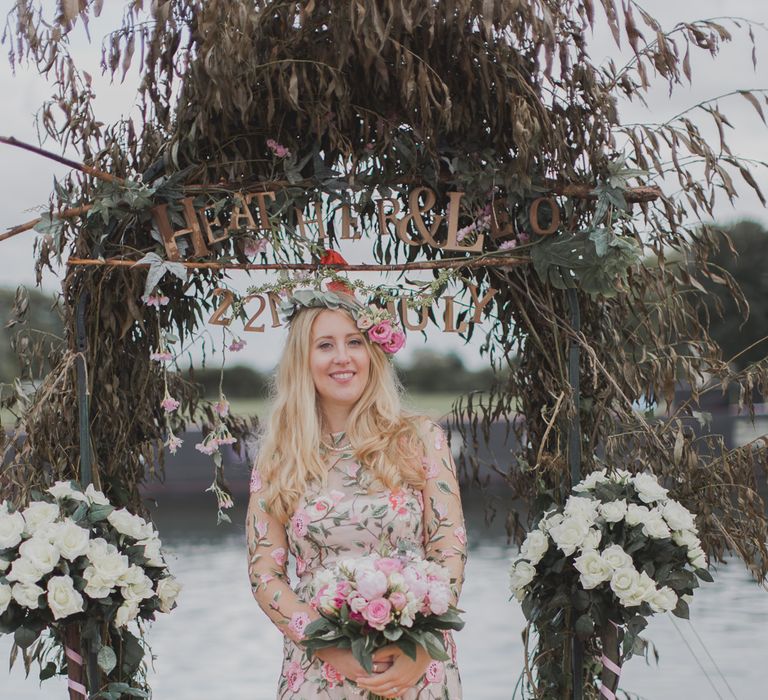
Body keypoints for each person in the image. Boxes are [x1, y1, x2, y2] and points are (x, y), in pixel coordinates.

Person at [246, 288, 467, 699]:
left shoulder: (420, 439)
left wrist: (421, 649)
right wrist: (328, 647)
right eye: (325, 345)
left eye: (355, 342)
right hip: (319, 668)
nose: (342, 357)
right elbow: (264, 574)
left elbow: (448, 551)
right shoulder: (279, 456)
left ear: (373, 354)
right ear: (303, 360)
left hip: (415, 668)